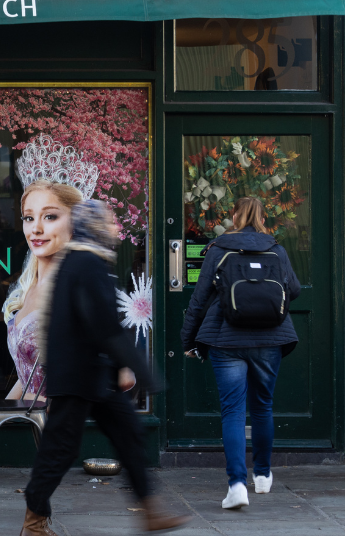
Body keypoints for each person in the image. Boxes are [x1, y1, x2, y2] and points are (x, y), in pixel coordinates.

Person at [20, 201, 189, 535]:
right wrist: (141, 369)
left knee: (128, 433)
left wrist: (119, 368)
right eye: (108, 223)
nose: (114, 229)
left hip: (92, 375)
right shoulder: (87, 264)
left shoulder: (80, 261)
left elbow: (93, 325)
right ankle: (34, 523)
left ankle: (150, 511)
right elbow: (104, 326)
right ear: (95, 228)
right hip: (78, 375)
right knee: (59, 450)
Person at [180, 196, 300, 510]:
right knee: (262, 407)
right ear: (263, 218)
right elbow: (295, 289)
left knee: (233, 412)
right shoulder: (276, 248)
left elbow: (199, 298)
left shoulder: (220, 249)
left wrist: (188, 341)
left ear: (234, 217)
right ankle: (262, 476)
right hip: (270, 338)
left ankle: (236, 485)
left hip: (226, 339)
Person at [2, 179, 83, 400]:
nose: (36, 229)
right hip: (28, 425)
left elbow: (123, 376)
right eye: (29, 218)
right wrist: (3, 413)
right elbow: (29, 375)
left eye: (50, 216)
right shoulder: (29, 288)